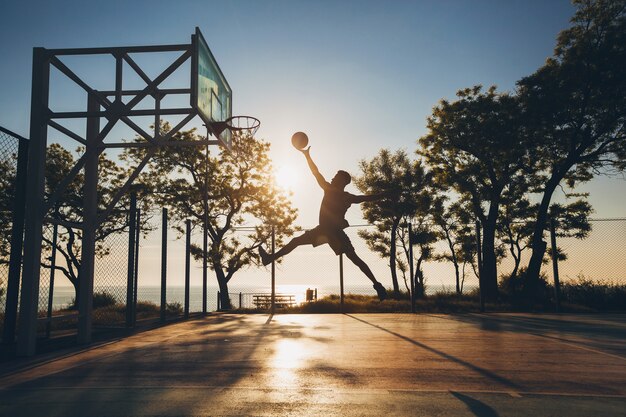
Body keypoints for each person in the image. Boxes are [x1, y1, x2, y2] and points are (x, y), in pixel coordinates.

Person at [259, 146, 389, 301]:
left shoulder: (337, 192)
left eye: (335, 177)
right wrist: (307, 156)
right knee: (296, 241)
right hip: (323, 230)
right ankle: (269, 258)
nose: (333, 178)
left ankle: (378, 286)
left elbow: (365, 198)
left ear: (341, 181)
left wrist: (384, 194)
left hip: (333, 233)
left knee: (355, 259)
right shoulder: (333, 191)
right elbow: (317, 173)